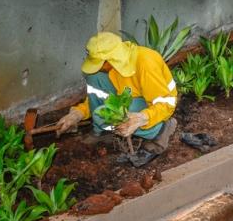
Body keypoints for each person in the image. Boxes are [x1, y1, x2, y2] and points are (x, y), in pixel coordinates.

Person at [55, 32, 178, 162]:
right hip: (129, 97)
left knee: (121, 114)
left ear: (111, 60)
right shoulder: (114, 66)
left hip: (156, 106)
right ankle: (103, 130)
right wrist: (78, 114)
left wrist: (142, 118)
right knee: (94, 78)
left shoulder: (146, 63)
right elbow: (99, 94)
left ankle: (162, 130)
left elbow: (166, 103)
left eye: (99, 64)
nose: (98, 68)